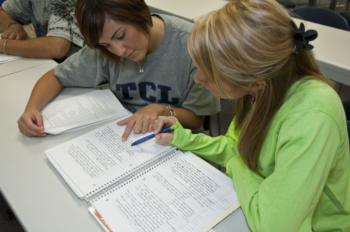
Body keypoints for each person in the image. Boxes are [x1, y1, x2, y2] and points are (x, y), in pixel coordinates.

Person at [154, 0, 350, 231]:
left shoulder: (312, 116)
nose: (198, 79)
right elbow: (235, 147)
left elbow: (274, 226)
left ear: (253, 80)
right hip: (265, 199)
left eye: (209, 72)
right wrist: (181, 137)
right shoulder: (260, 90)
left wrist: (236, 164)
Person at [17, 0, 219, 140]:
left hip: (175, 142)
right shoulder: (105, 48)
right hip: (122, 138)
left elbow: (196, 119)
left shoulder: (192, 45)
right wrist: (31, 109)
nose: (119, 51)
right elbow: (56, 76)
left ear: (139, 14)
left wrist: (160, 109)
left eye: (121, 35)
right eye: (106, 45)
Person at [0, 0, 83, 59]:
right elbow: (2, 12)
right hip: (49, 62)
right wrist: (12, 25)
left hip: (83, 71)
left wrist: (4, 45)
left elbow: (57, 47)